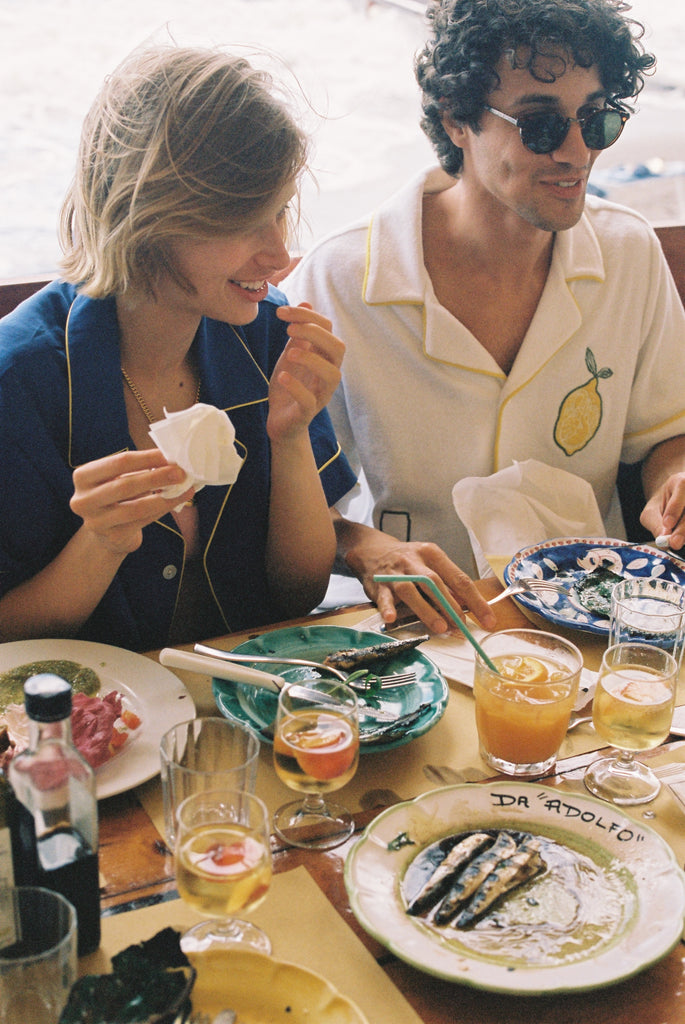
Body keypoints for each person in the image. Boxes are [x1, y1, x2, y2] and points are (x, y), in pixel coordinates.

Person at [284, 0, 685, 634]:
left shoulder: (630, 255)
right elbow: (282, 500)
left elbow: (664, 432)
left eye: (597, 120)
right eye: (540, 124)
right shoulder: (339, 281)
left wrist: (676, 477)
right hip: (417, 632)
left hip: (588, 626)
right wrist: (363, 548)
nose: (578, 152)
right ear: (458, 120)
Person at [0, 45, 357, 652]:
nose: (280, 255)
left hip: (248, 712)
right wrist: (102, 542)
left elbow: (297, 594)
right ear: (150, 215)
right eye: (246, 220)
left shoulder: (269, 333)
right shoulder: (20, 382)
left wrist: (292, 437)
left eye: (281, 213)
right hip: (99, 725)